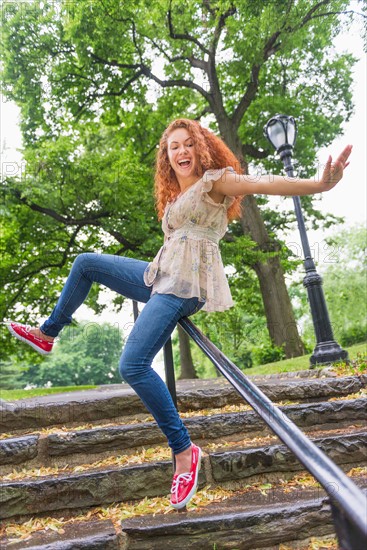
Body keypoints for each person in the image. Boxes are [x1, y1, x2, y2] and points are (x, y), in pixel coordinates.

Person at [7, 118, 352, 510]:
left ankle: (184, 451)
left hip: (185, 286)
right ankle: (48, 333)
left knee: (133, 364)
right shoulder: (173, 197)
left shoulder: (216, 182)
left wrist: (320, 184)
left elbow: (266, 182)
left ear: (201, 148)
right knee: (86, 262)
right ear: (166, 157)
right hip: (159, 275)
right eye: (174, 147)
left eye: (189, 144)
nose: (182, 152)